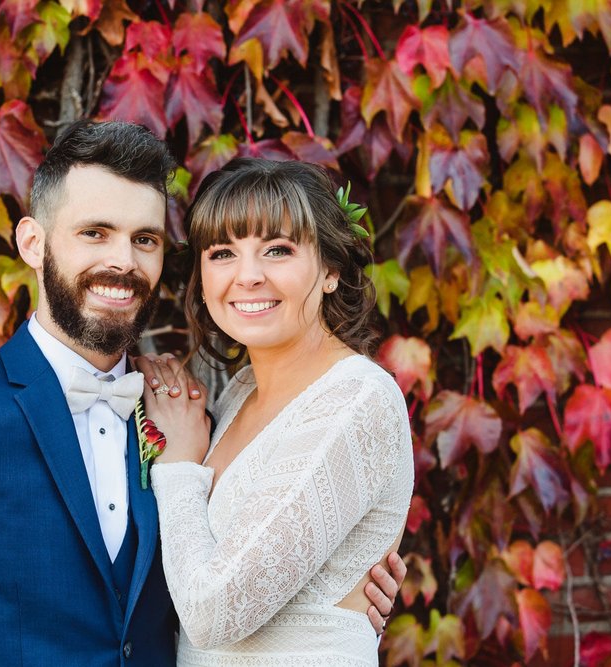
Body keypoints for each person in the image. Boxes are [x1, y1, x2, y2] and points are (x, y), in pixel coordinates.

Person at [0, 122, 404, 666]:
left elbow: (226, 570)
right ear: (33, 242)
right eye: (94, 233)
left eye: (144, 239)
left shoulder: (178, 415)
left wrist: (341, 593)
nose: (122, 262)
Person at [135, 157, 415, 666]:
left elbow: (213, 614)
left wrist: (178, 466)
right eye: (223, 252)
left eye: (278, 250)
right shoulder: (240, 392)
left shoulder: (356, 400)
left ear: (331, 270)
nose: (248, 276)